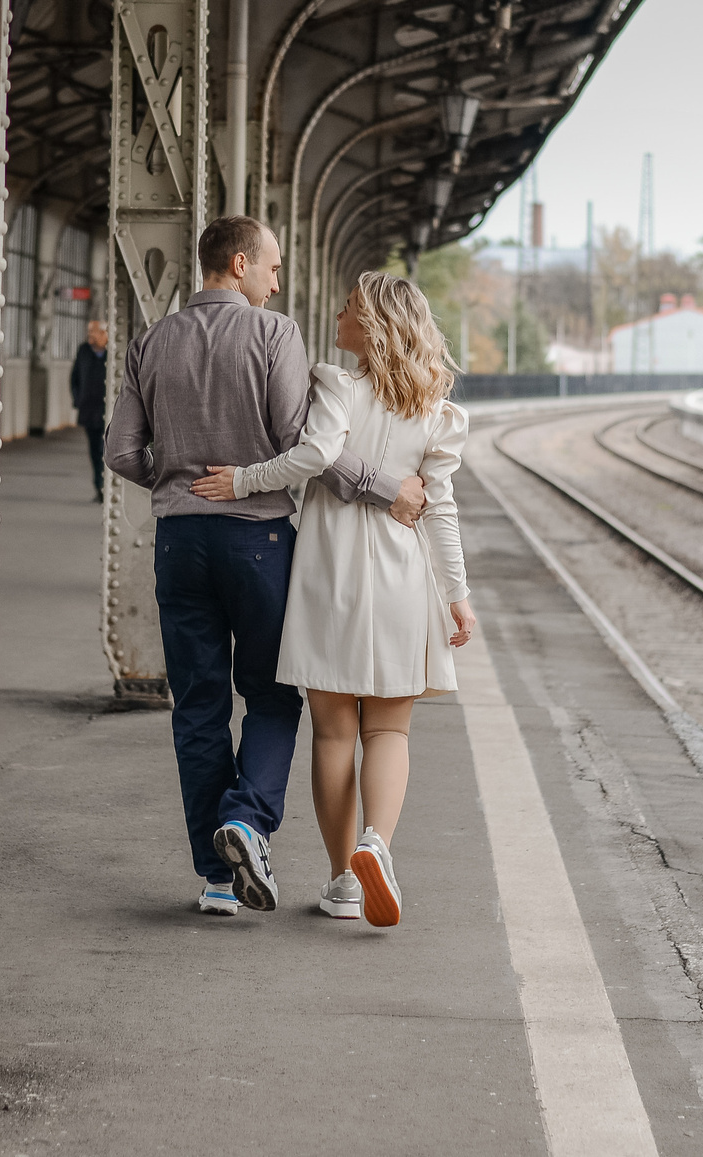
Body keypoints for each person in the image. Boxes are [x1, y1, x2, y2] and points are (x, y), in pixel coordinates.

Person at [104, 216, 427, 918]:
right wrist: (387, 488)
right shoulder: (274, 333)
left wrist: (177, 478)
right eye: (273, 269)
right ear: (242, 263)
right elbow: (303, 444)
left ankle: (217, 880)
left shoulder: (151, 341)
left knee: (196, 705)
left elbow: (122, 453)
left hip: (179, 543)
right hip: (258, 542)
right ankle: (247, 820)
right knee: (273, 696)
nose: (277, 283)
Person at [190, 271, 475, 929]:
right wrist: (458, 596)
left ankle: (345, 877)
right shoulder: (438, 410)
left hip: (328, 577)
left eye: (348, 309)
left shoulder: (337, 386)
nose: (339, 316)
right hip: (403, 578)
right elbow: (441, 510)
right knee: (389, 729)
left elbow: (315, 454)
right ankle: (378, 841)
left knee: (335, 732)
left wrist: (243, 481)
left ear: (369, 328)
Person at [71, 319, 109, 498]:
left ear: (105, 334)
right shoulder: (84, 351)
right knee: (94, 450)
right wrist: (78, 400)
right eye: (89, 332)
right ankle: (99, 487)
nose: (90, 335)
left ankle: (107, 488)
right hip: (88, 410)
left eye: (94, 332)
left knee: (106, 450)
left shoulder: (114, 353)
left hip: (108, 412)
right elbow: (75, 378)